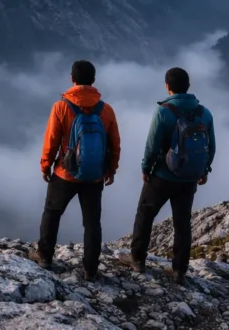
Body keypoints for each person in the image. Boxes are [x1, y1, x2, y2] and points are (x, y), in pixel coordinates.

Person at [126, 66, 216, 285]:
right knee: (182, 223)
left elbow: (152, 146)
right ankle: (179, 271)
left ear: (167, 87)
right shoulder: (204, 113)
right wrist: (204, 170)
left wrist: (146, 169)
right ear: (188, 87)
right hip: (188, 179)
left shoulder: (164, 111)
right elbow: (210, 147)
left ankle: (137, 259)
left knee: (145, 215)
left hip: (162, 176)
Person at [32, 60, 121, 280]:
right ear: (93, 80)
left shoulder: (61, 106)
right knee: (92, 222)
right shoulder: (106, 110)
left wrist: (45, 165)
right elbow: (114, 143)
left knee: (52, 213)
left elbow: (52, 140)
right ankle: (90, 269)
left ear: (72, 79)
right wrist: (111, 169)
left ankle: (44, 257)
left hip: (65, 172)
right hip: (94, 175)